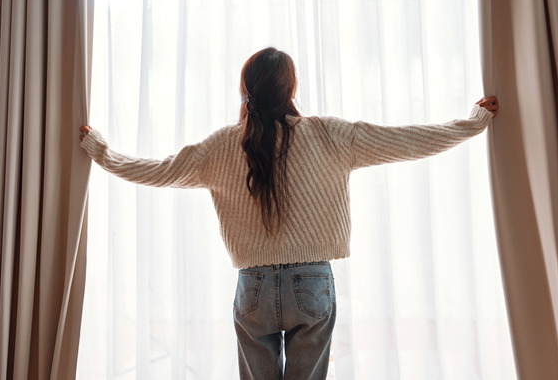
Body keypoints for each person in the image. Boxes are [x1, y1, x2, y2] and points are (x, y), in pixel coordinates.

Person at [79, 47, 498, 379]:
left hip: (253, 288)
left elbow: (157, 171)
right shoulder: (330, 135)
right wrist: (473, 122)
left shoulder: (221, 146)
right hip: (311, 284)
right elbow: (409, 141)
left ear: (245, 90)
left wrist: (100, 150)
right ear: (291, 88)